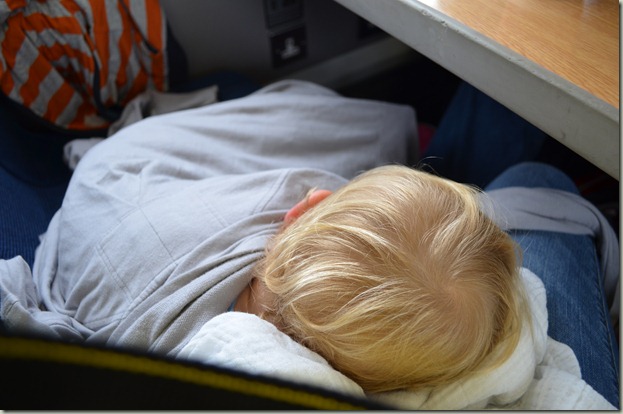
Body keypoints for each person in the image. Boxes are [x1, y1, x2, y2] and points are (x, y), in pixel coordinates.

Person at [0, 80, 617, 408]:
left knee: (499, 187)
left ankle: (442, 153)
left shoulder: (276, 202)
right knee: (539, 181)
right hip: (125, 207)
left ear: (305, 207)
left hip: (123, 191)